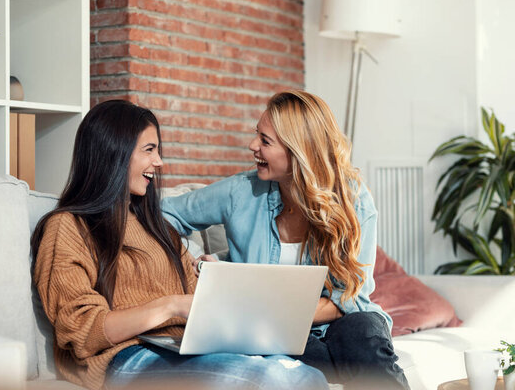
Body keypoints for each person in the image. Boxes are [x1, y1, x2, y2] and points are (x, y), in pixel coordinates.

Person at [31, 99, 330, 390]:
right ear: (114, 154)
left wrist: (217, 280)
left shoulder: (155, 227)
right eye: (149, 150)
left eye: (158, 150)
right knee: (269, 379)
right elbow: (82, 330)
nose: (158, 162)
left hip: (186, 348)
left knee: (305, 376)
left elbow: (194, 290)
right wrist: (169, 306)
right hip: (127, 357)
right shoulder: (69, 227)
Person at [161, 90, 410, 390]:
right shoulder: (240, 193)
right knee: (286, 355)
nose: (253, 146)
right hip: (275, 336)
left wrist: (274, 311)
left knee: (363, 332)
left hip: (344, 326)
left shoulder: (352, 200)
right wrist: (192, 258)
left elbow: (352, 296)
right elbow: (164, 212)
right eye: (258, 136)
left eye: (265, 141)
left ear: (299, 151)